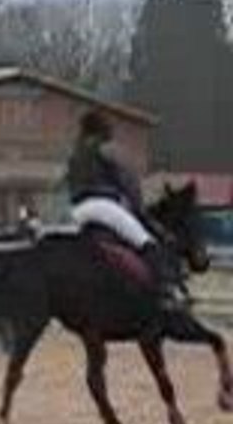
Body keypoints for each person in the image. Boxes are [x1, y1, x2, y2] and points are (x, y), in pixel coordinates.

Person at [63, 110, 184, 306]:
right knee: (147, 242)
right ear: (102, 130)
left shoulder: (74, 154)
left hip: (77, 211)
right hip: (104, 207)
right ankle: (166, 289)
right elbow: (127, 182)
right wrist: (139, 210)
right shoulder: (105, 150)